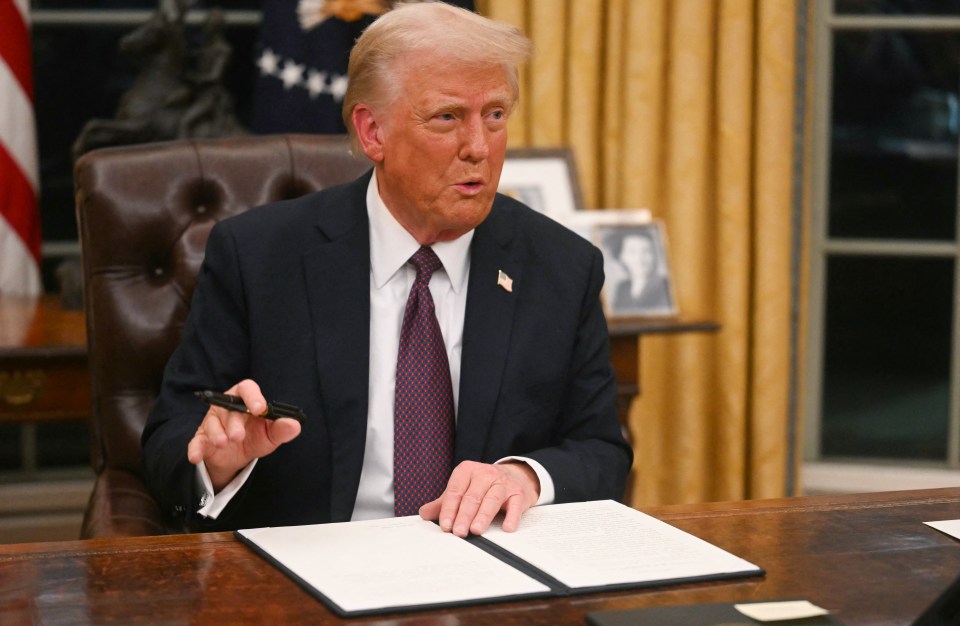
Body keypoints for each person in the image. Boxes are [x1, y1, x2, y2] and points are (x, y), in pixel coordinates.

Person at [142, 2, 632, 538]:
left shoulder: (560, 266)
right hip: (312, 577)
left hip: (487, 576)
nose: (479, 147)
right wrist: (217, 461)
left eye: (495, 115)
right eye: (447, 117)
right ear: (372, 132)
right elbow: (171, 435)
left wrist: (526, 476)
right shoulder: (260, 256)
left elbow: (601, 449)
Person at [607, 229, 672, 315]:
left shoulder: (665, 285)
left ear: (655, 255)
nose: (640, 259)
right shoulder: (622, 288)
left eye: (646, 251)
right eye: (632, 252)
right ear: (621, 257)